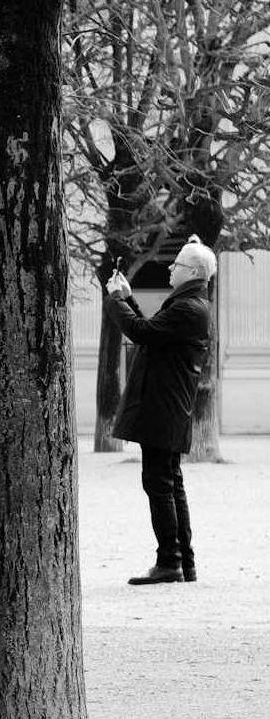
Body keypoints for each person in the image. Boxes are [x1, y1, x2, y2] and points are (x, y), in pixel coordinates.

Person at [104, 237, 215, 585]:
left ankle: (170, 561)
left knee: (160, 484)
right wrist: (129, 298)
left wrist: (116, 300)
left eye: (177, 264)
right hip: (168, 406)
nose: (170, 267)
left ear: (193, 271)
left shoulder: (189, 307)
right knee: (170, 483)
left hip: (163, 407)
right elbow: (153, 332)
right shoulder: (190, 304)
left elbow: (141, 332)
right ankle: (183, 562)